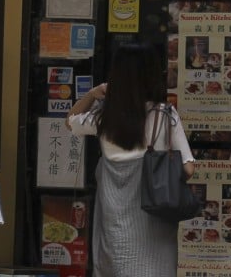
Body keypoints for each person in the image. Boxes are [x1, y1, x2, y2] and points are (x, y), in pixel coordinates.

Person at [67, 42, 196, 277]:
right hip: (156, 228)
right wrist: (160, 168)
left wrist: (93, 93)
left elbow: (71, 120)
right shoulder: (164, 115)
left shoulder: (104, 118)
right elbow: (188, 169)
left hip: (115, 229)